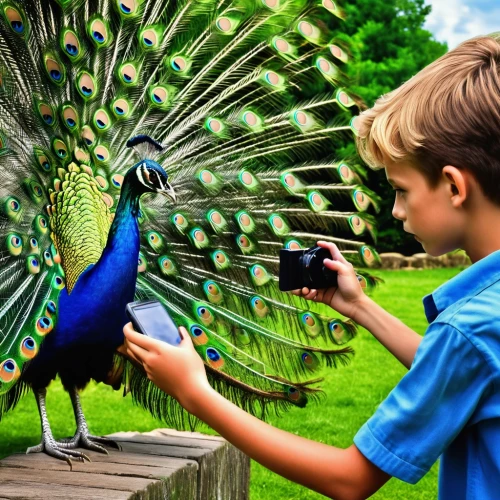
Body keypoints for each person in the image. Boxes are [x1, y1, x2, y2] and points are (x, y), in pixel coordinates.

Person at [119, 34, 500, 499]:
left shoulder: (468, 329)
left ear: (454, 187)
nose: (397, 211)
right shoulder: (484, 324)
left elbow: (350, 478)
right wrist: (360, 307)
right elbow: (464, 372)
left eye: (401, 190)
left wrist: (195, 392)